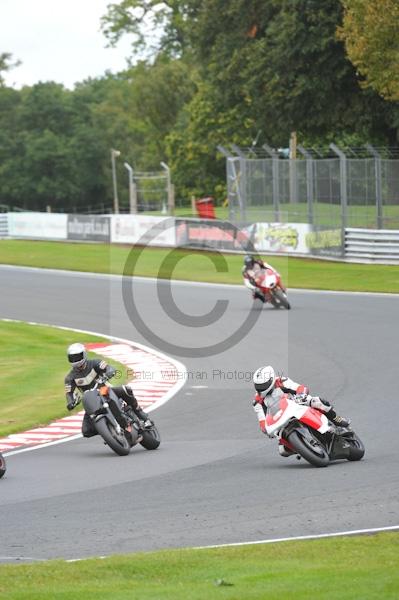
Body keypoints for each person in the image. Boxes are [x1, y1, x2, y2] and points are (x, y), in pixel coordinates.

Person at [252, 365, 350, 457]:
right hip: (280, 419)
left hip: (296, 404)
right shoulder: (257, 402)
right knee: (283, 450)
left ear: (271, 379)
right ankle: (304, 448)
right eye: (258, 386)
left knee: (317, 401)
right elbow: (262, 422)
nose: (261, 388)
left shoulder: (281, 381)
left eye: (263, 385)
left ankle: (337, 419)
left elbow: (300, 388)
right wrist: (266, 430)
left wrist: (301, 395)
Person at [64, 343, 152, 438]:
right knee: (86, 431)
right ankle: (108, 430)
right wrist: (71, 403)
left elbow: (109, 368)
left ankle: (141, 415)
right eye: (72, 358)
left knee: (126, 390)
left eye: (77, 357)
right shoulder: (70, 378)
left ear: (84, 355)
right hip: (92, 401)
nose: (75, 360)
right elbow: (69, 393)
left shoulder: (95, 363)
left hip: (105, 391)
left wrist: (108, 373)